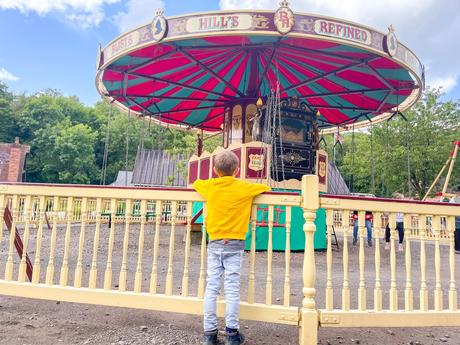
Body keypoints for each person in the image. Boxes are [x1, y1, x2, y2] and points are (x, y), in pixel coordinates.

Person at [193, 149, 270, 345]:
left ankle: (209, 334)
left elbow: (196, 183)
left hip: (215, 242)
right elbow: (266, 188)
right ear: (236, 170)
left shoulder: (210, 186)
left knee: (211, 288)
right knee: (232, 289)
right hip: (235, 245)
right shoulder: (244, 188)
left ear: (214, 169)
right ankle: (232, 334)